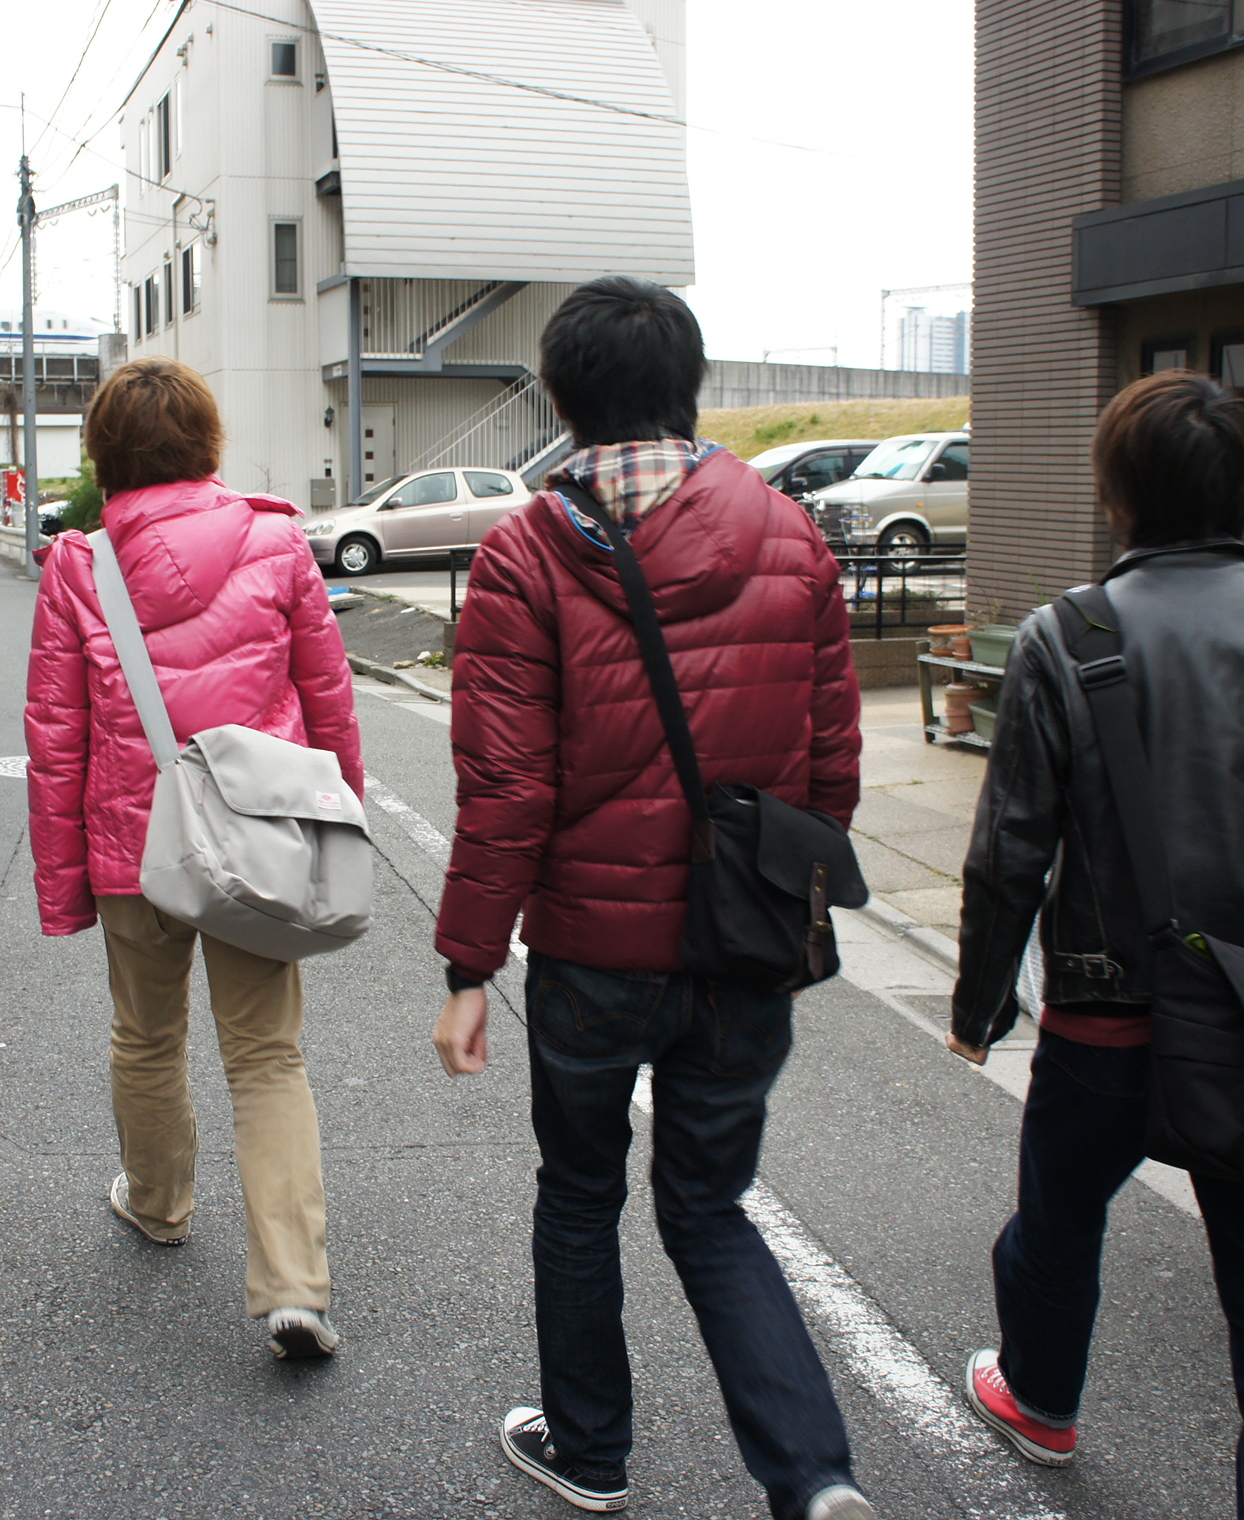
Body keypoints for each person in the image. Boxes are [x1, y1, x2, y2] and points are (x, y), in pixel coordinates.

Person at [430, 277, 872, 1520]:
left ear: (561, 399)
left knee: (580, 1195)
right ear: (689, 388)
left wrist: (468, 967)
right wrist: (787, 894)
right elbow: (832, 764)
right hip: (744, 943)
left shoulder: (525, 552)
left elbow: (506, 787)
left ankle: (589, 1448)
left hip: (591, 954)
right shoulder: (789, 536)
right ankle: (813, 1475)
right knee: (708, 1203)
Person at [948, 372, 1244, 1519]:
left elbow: (1010, 849)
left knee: (1056, 1223)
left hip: (1106, 1016)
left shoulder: (1067, 632)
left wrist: (978, 1005)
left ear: (1116, 492)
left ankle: (1040, 1397)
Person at [23, 356, 362, 1360]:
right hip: (257, 840)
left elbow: (55, 740)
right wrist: (335, 824)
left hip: (134, 849)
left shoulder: (79, 566)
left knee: (145, 1035)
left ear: (105, 455)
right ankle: (294, 1287)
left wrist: (64, 887)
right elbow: (329, 697)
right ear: (208, 442)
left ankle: (158, 1203)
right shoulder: (275, 540)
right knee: (266, 1054)